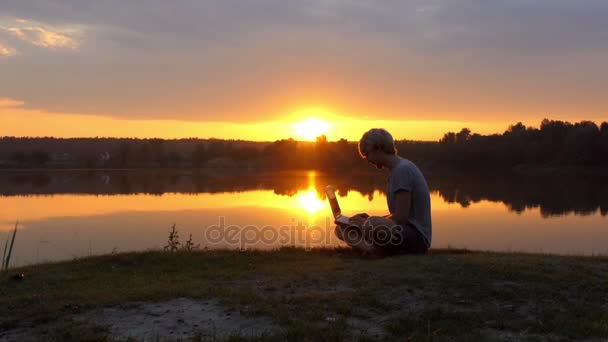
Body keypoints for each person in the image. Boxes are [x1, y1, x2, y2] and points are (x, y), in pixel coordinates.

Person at [335, 128, 432, 256]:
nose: (367, 159)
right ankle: (371, 250)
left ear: (379, 148)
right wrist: (366, 221)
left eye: (367, 154)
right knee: (342, 229)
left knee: (372, 223)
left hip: (417, 237)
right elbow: (396, 217)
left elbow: (401, 218)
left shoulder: (402, 170)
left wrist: (366, 222)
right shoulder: (395, 171)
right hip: (400, 232)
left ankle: (375, 249)